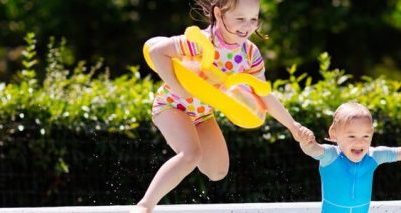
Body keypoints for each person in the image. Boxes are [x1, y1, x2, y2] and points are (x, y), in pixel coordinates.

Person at [132, 0, 313, 212]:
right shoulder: (200, 42)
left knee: (217, 172)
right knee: (191, 154)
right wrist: (178, 88)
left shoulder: (249, 54)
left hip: (202, 114)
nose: (247, 26)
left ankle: (183, 163)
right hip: (172, 105)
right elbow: (156, 51)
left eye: (253, 19)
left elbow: (265, 96)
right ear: (219, 14)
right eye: (240, 19)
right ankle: (145, 206)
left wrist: (293, 126)